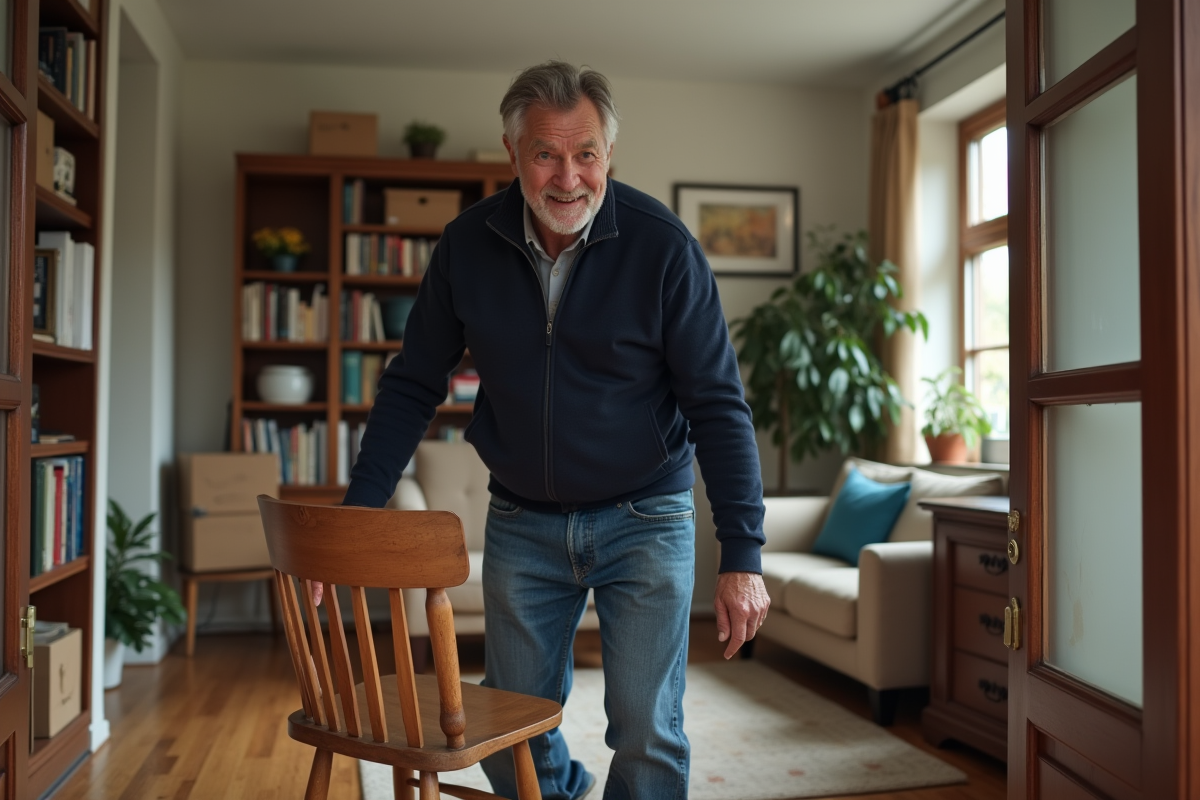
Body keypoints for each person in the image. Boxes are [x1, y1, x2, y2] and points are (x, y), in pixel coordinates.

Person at [337, 61, 769, 800]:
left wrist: (743, 552)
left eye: (586, 153)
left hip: (647, 517)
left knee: (646, 731)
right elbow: (412, 384)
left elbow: (718, 403)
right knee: (507, 738)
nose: (568, 177)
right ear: (513, 155)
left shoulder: (664, 248)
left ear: (609, 155)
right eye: (546, 153)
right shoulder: (465, 247)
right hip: (523, 523)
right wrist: (357, 512)